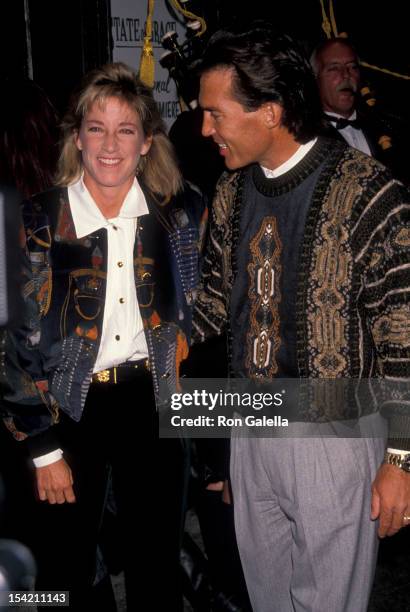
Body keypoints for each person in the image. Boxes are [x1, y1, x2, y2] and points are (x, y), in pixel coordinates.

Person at [192, 23, 410, 612]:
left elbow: (403, 336)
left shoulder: (370, 192)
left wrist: (401, 458)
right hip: (248, 423)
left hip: (334, 434)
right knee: (267, 598)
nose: (204, 128)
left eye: (215, 113)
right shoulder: (230, 190)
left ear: (270, 111)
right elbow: (214, 302)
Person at [0, 62, 206, 611]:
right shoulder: (39, 217)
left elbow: (203, 316)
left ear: (146, 142)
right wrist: (42, 446)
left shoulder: (180, 213)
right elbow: (10, 340)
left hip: (152, 402)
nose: (110, 145)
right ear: (77, 138)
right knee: (66, 566)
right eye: (96, 128)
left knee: (156, 562)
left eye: (125, 130)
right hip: (69, 406)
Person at [311, 37, 408, 182]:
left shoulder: (388, 125)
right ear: (315, 78)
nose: (346, 75)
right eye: (334, 68)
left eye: (352, 67)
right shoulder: (306, 136)